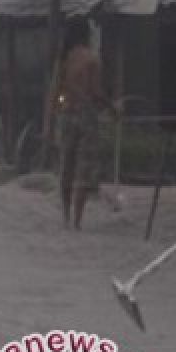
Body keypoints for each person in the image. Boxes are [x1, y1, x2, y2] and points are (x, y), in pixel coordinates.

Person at [56, 21, 117, 230]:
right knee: (83, 168)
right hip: (86, 116)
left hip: (67, 115)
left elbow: (57, 91)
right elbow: (95, 91)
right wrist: (112, 108)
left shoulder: (65, 59)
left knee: (66, 165)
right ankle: (77, 220)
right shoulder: (92, 59)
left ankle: (65, 216)